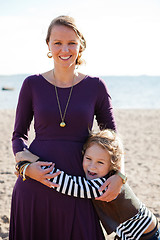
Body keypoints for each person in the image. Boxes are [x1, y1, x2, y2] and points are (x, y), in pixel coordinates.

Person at [10, 15, 124, 240]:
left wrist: (119, 175)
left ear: (81, 45)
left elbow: (112, 136)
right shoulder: (31, 84)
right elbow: (18, 136)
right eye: (58, 42)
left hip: (79, 184)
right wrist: (26, 167)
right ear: (49, 46)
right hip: (35, 185)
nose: (65, 49)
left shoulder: (96, 86)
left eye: (71, 42)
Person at [36, 129, 159, 240]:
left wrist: (33, 163)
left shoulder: (104, 184)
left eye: (100, 162)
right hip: (131, 233)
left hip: (146, 236)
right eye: (88, 159)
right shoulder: (101, 176)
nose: (92, 166)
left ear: (112, 166)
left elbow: (68, 184)